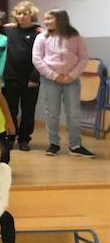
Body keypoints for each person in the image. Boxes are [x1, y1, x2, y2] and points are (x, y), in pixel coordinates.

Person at [32, 9, 95, 158]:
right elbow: (37, 59)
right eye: (45, 19)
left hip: (71, 81)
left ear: (60, 19)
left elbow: (83, 57)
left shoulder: (75, 36)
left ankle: (75, 145)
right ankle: (54, 143)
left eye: (49, 19)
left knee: (73, 113)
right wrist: (54, 76)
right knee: (52, 113)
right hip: (50, 80)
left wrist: (71, 75)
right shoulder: (41, 37)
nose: (46, 22)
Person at [2, 2, 42, 151]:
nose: (21, 16)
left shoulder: (38, 33)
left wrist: (34, 78)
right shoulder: (8, 30)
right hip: (11, 77)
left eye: (25, 13)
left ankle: (24, 139)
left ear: (31, 15)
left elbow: (40, 57)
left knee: (28, 110)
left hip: (30, 79)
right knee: (10, 110)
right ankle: (11, 136)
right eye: (19, 13)